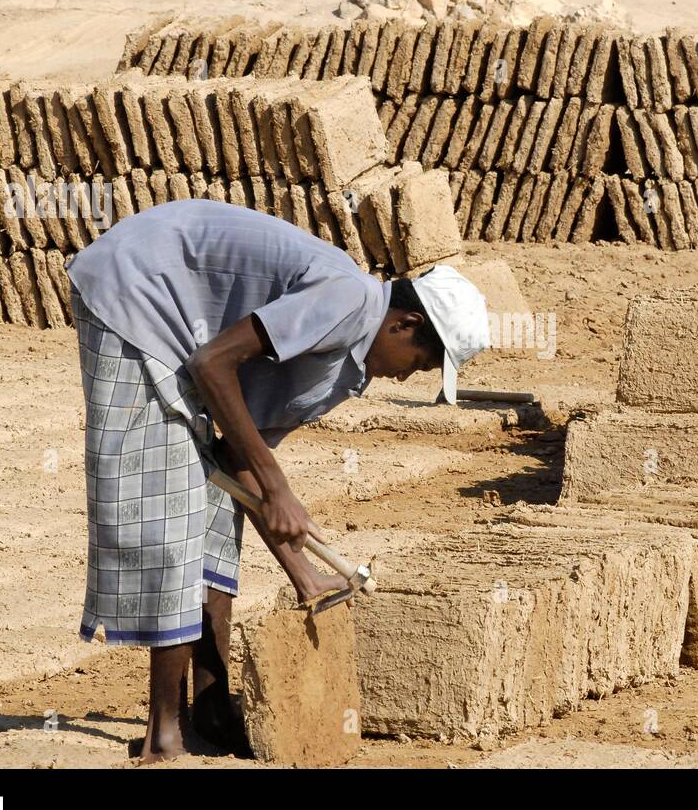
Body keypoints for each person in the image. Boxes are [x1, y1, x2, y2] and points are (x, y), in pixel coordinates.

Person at [64, 198, 490, 762]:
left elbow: (238, 459)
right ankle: (163, 734)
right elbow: (212, 363)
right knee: (168, 514)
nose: (408, 376)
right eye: (419, 363)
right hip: (136, 289)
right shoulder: (348, 301)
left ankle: (211, 712)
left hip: (179, 327)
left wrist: (306, 575)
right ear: (405, 324)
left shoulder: (345, 365)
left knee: (212, 519)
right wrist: (280, 486)